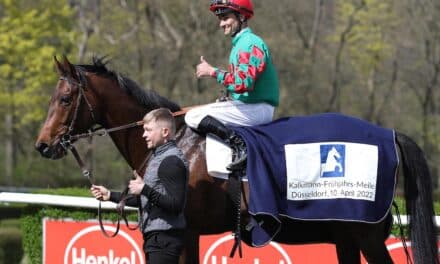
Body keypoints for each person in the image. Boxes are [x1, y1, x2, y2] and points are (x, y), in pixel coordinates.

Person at [185, 0, 280, 171]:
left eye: (225, 18)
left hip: (257, 109)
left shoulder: (249, 43)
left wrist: (212, 72)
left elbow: (244, 82)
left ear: (242, 16)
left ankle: (240, 147)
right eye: (219, 19)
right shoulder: (241, 43)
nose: (221, 24)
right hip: (252, 106)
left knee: (192, 116)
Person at [91, 108, 189, 264]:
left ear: (164, 132)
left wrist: (144, 189)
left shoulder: (171, 161)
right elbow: (146, 200)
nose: (144, 135)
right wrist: (110, 195)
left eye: (148, 130)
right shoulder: (158, 158)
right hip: (156, 240)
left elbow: (176, 204)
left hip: (164, 241)